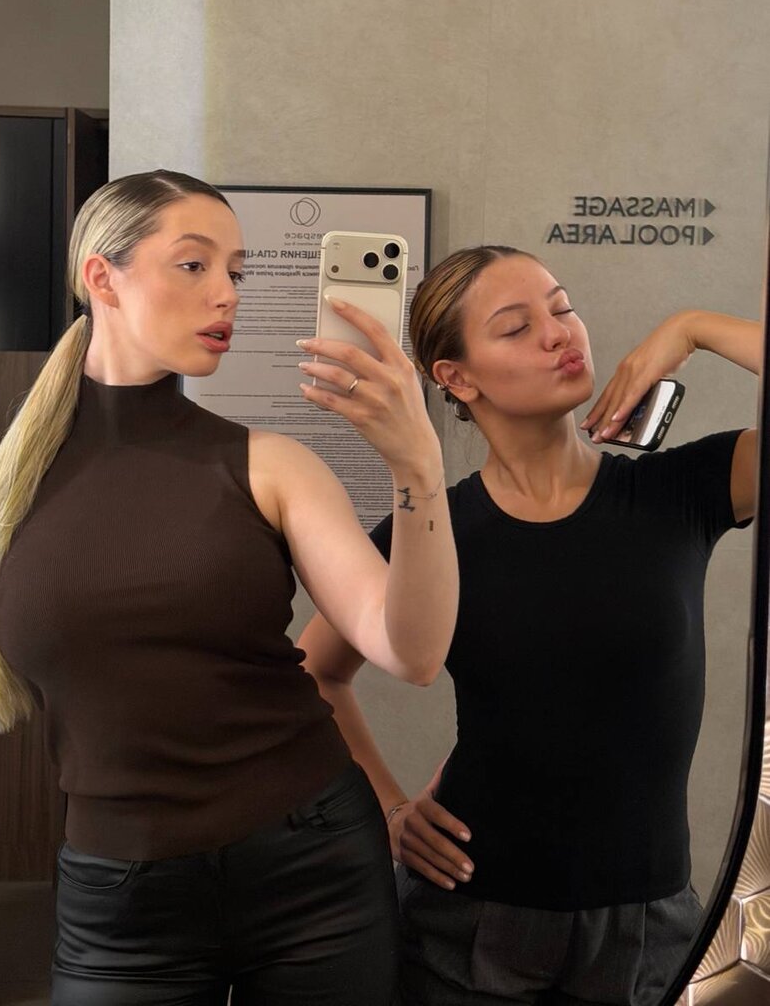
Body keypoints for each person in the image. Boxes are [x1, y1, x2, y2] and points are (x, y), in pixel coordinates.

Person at [0, 169, 458, 1006]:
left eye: (237, 271)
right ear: (102, 277)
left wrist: (417, 466)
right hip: (119, 897)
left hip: (314, 868)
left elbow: (412, 652)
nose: (227, 293)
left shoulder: (271, 467)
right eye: (194, 265)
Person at [299, 243, 759, 1006]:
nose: (558, 333)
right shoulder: (431, 531)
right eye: (516, 327)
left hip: (648, 927)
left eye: (561, 307)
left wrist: (693, 327)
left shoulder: (681, 491)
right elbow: (313, 674)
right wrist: (387, 808)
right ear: (456, 377)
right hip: (468, 922)